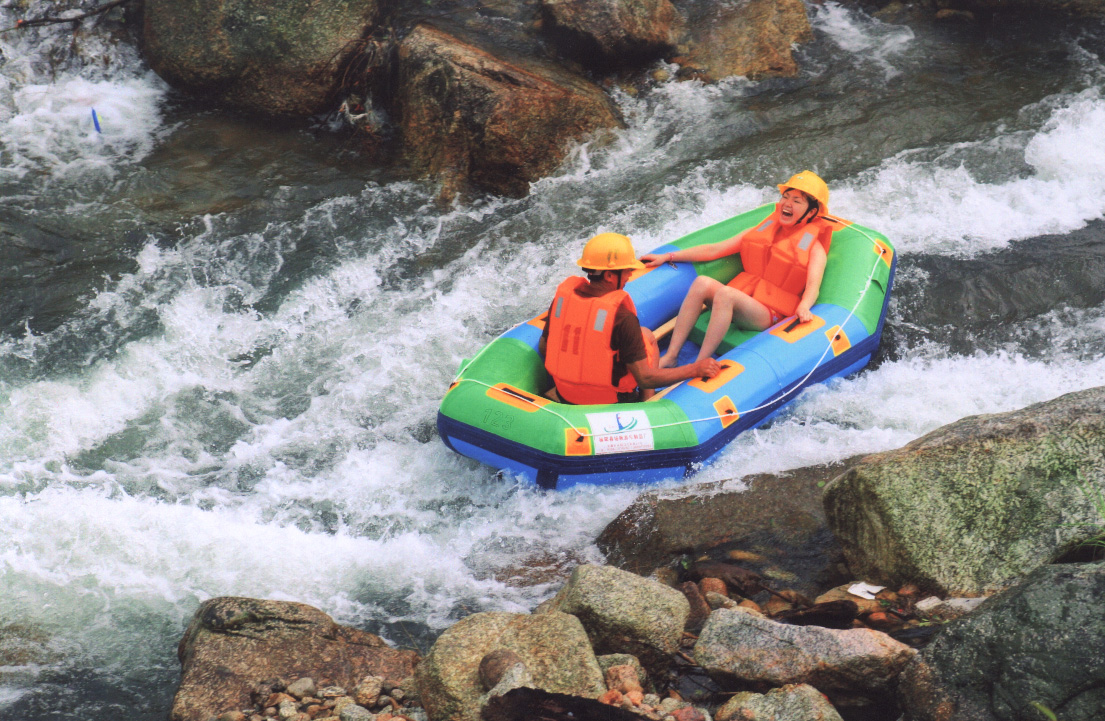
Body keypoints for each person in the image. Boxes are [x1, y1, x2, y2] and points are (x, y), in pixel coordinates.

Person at [640, 171, 834, 368]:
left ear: (811, 212)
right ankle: (672, 355)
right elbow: (714, 250)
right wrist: (669, 256)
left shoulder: (815, 249)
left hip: (771, 313)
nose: (787, 204)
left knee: (726, 294)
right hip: (744, 298)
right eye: (785, 197)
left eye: (797, 201)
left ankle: (699, 364)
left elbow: (812, 285)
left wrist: (804, 307)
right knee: (702, 283)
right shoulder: (762, 230)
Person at [540, 232, 721, 404]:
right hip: (609, 401)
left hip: (565, 393)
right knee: (647, 341)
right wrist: (695, 368)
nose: (630, 275)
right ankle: (647, 403)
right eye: (626, 270)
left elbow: (544, 347)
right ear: (610, 275)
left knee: (645, 334)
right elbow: (645, 378)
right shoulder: (622, 318)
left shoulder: (562, 300)